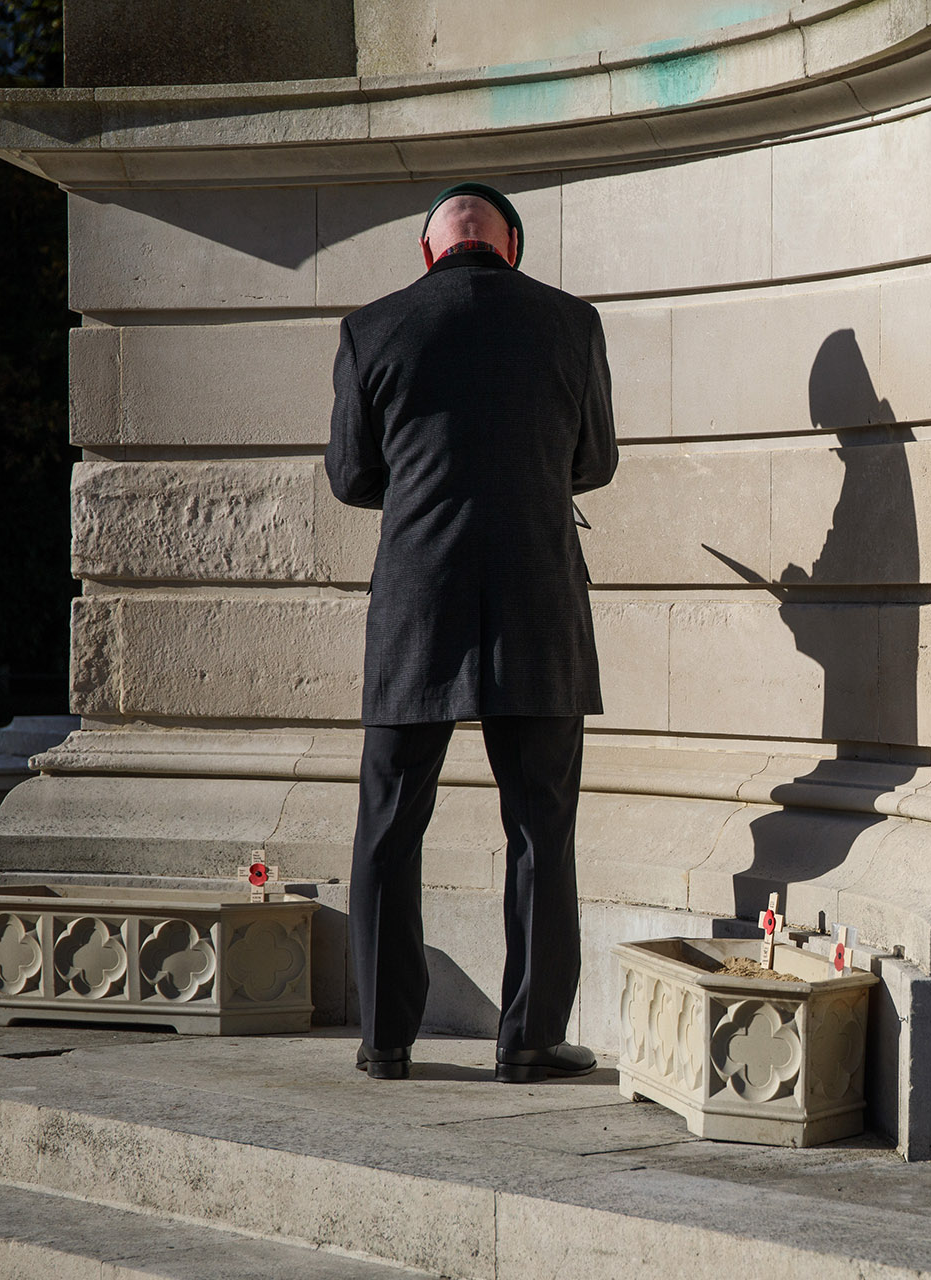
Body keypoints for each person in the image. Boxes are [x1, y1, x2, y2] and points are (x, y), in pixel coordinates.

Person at [325, 182, 617, 1083]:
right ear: (511, 246)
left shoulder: (373, 327)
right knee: (540, 827)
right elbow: (596, 462)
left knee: (388, 824)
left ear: (429, 251)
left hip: (418, 598)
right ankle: (528, 1040)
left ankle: (384, 1040)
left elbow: (349, 474)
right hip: (537, 596)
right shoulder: (572, 323)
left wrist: (422, 489)